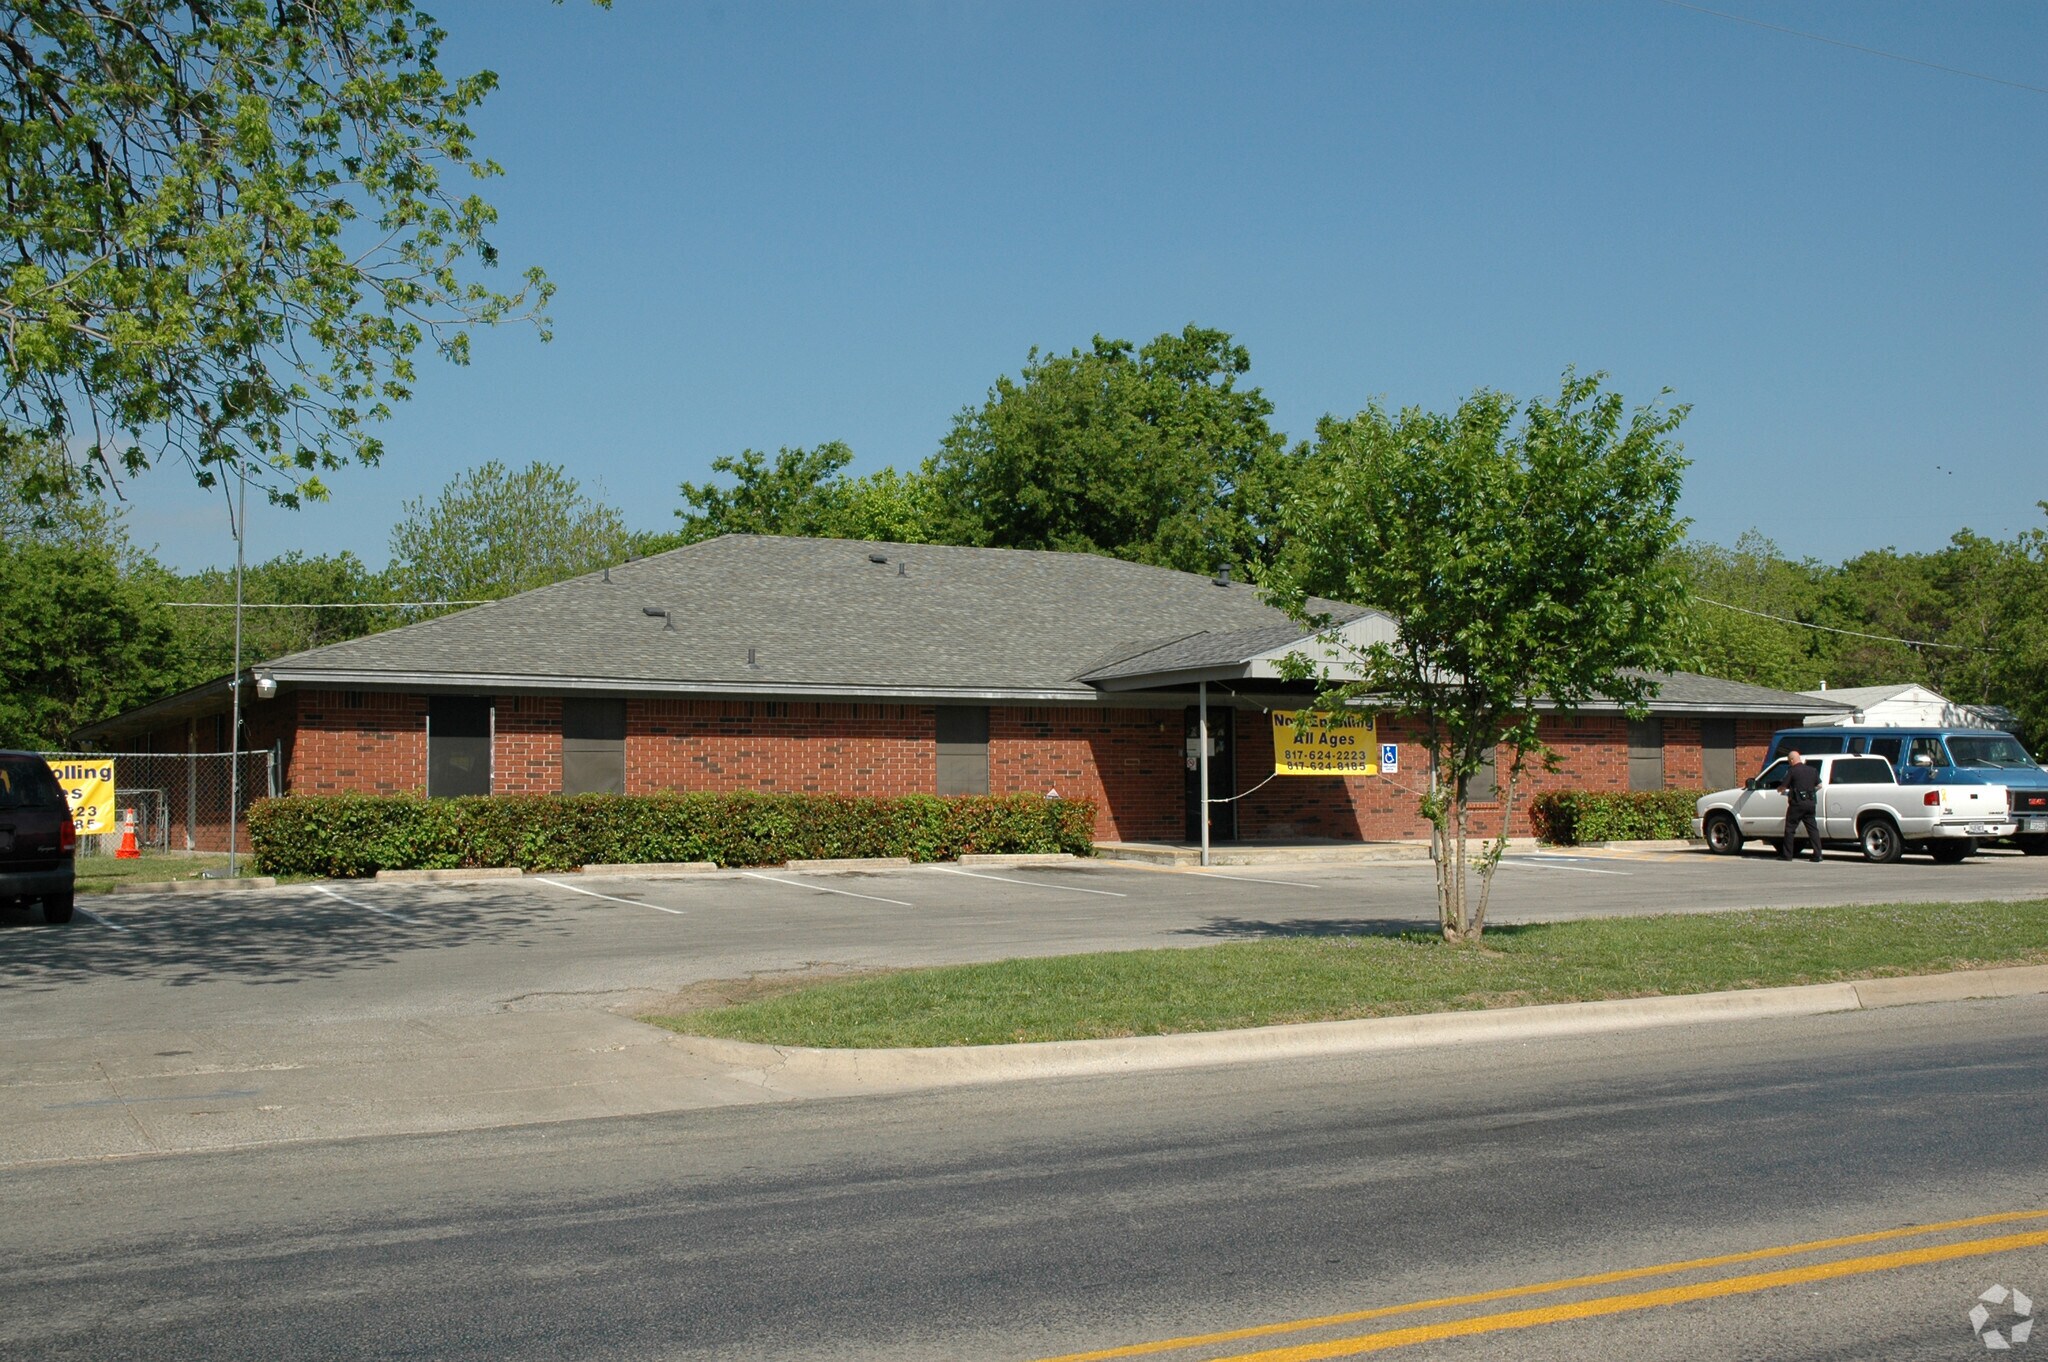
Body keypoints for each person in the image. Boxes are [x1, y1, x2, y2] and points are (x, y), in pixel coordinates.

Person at [1781, 750, 1823, 862]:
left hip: (1797, 805)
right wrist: (1810, 791)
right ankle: (1818, 855)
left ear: (1791, 760)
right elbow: (1819, 785)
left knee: (1790, 829)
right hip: (1810, 803)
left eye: (1789, 761)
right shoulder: (1812, 770)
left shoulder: (1792, 771)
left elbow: (1783, 787)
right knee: (1813, 829)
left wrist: (1781, 790)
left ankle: (1787, 855)